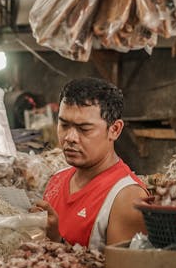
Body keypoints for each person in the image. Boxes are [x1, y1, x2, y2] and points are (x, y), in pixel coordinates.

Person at [34, 77, 147, 250]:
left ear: (114, 130)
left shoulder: (127, 198)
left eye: (84, 129)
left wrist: (57, 241)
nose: (70, 138)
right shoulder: (56, 180)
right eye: (64, 125)